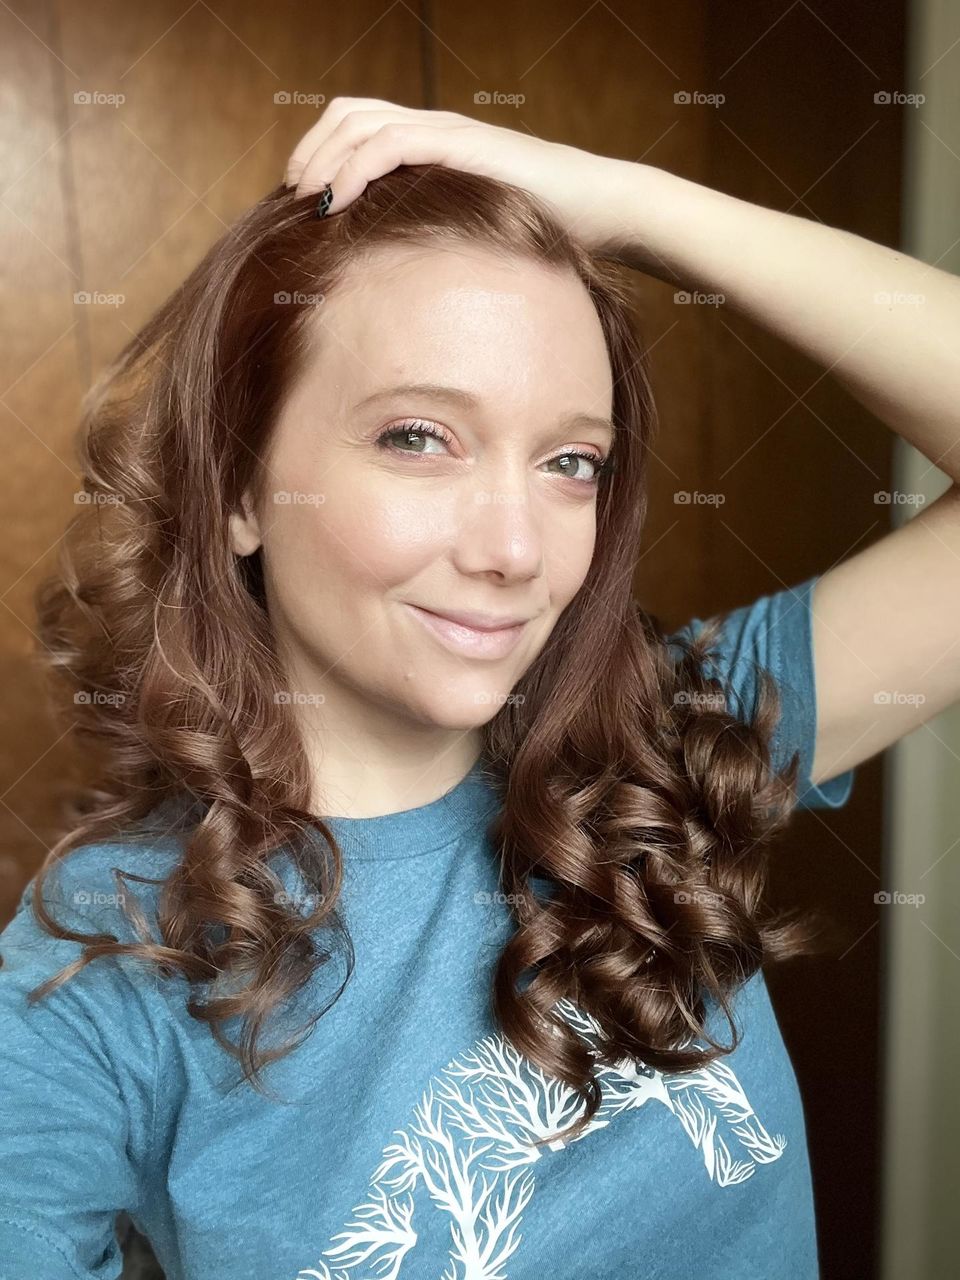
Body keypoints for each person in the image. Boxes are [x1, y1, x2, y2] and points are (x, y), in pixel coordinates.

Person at [1, 98, 958, 1280]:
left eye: (571, 462)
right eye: (418, 436)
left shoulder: (668, 740)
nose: (515, 547)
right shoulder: (102, 959)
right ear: (240, 488)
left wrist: (635, 206)